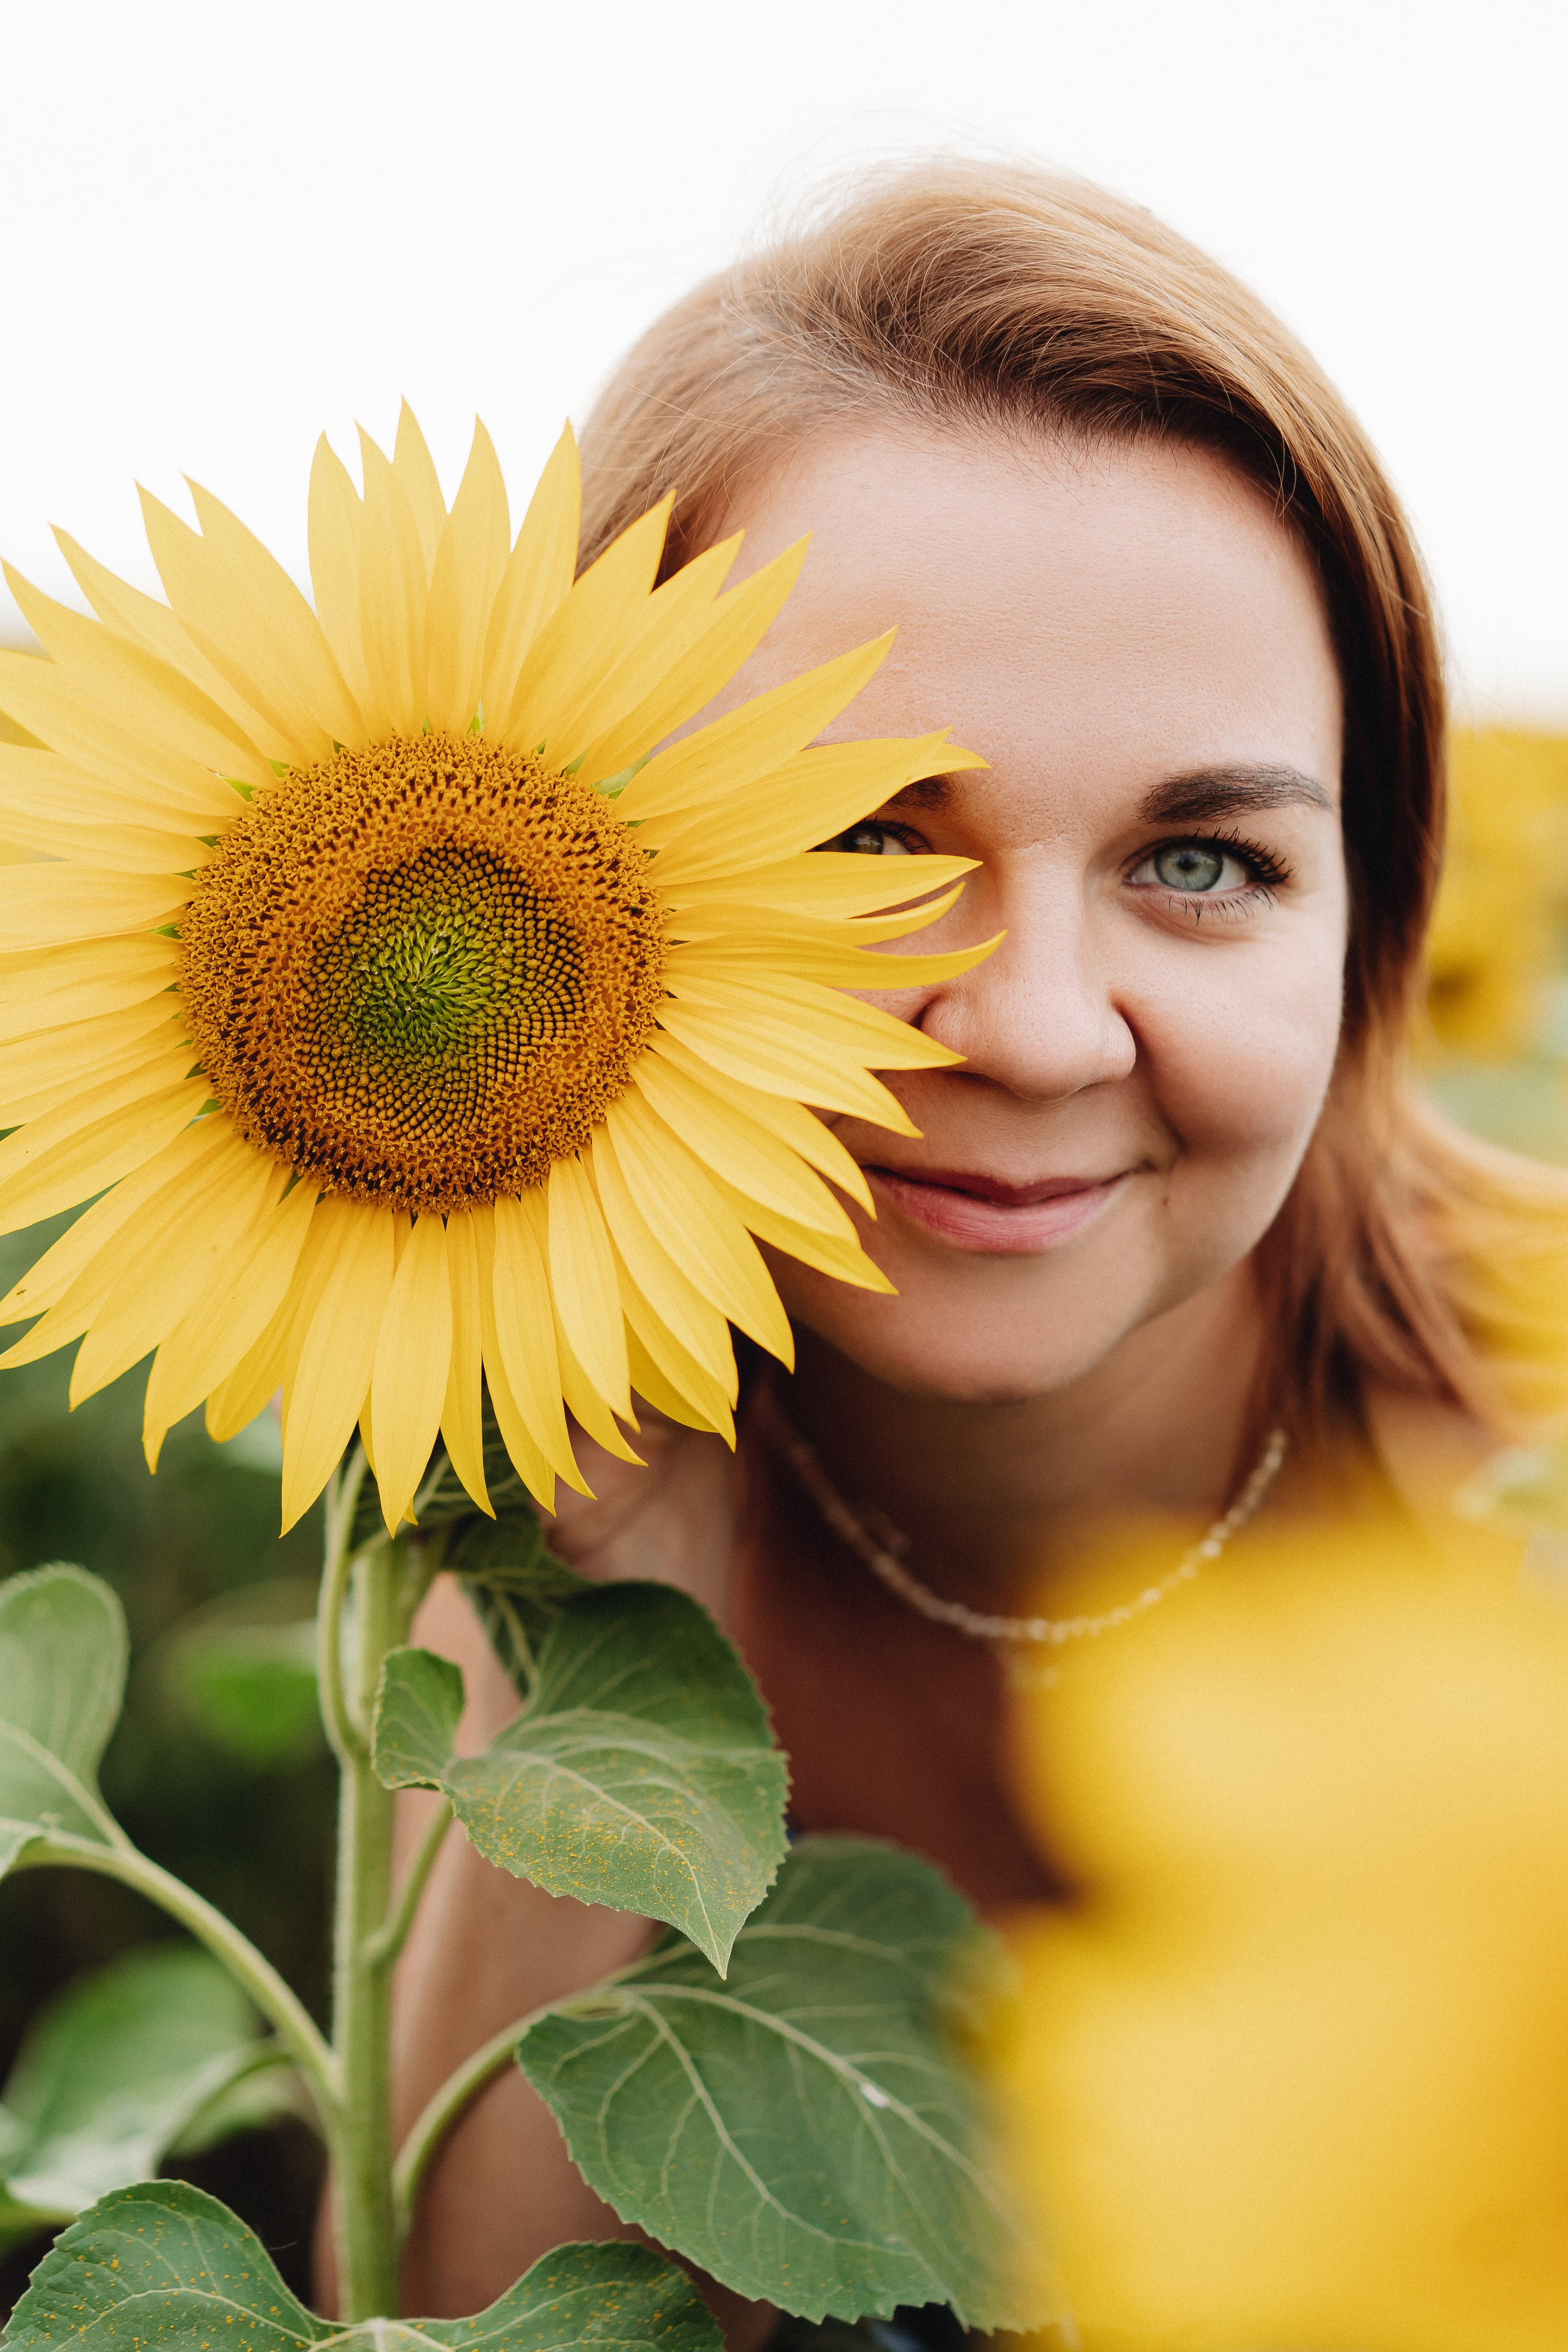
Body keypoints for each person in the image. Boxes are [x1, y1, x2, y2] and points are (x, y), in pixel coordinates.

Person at [388, 159, 1568, 2343]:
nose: (1032, 1027)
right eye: (858, 842)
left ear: (1373, 924)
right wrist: (603, 1588)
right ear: (564, 879)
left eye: (1201, 858)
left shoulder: (1535, 1489)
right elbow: (449, 2314)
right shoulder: (534, 1553)